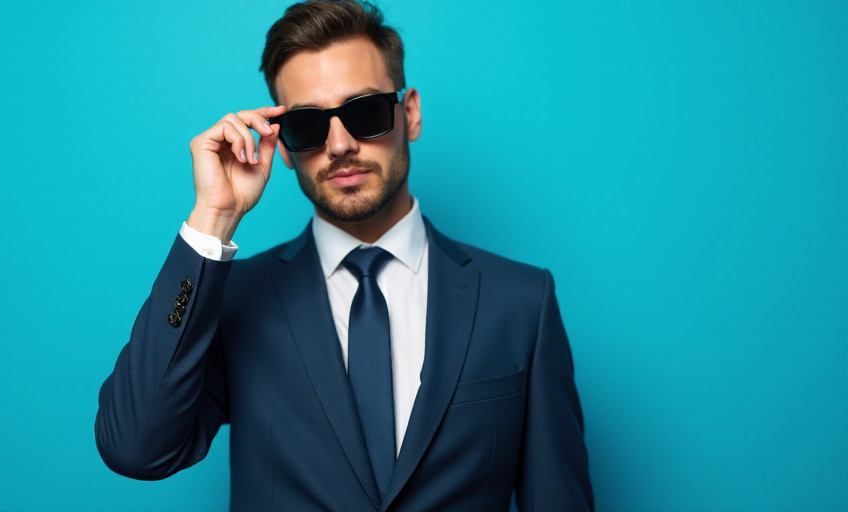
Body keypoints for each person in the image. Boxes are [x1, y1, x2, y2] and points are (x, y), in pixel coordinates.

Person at [95, 1, 594, 510]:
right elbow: (136, 449)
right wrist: (213, 219)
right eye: (308, 125)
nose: (339, 145)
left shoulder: (520, 301)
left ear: (411, 113)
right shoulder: (237, 300)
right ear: (283, 147)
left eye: (365, 112)